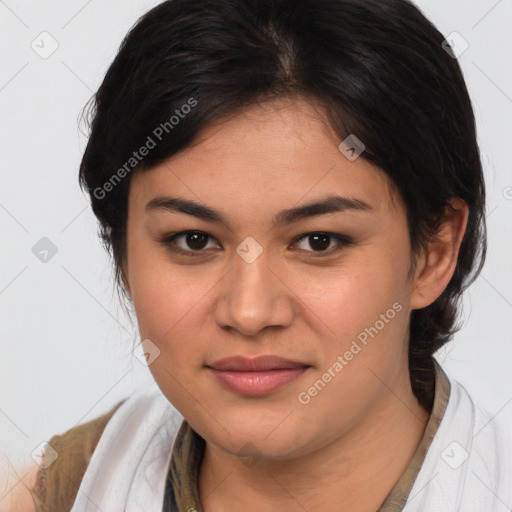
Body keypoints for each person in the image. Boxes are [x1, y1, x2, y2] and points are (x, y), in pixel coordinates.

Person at [5, 0, 511, 510]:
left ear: (434, 252)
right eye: (193, 240)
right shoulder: (61, 490)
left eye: (319, 241)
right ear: (123, 255)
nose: (249, 313)